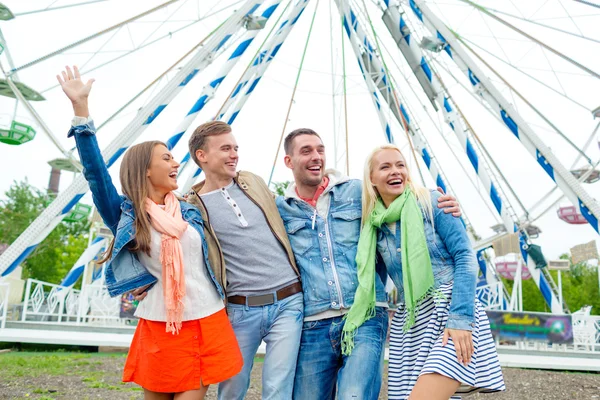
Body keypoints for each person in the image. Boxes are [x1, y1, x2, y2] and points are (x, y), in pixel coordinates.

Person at [57, 66, 242, 400]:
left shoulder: (189, 208)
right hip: (160, 325)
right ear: (145, 169)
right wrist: (81, 114)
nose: (176, 164)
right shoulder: (127, 215)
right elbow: (96, 175)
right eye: (167, 158)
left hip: (205, 318)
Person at [275, 129, 462, 399]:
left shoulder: (357, 191)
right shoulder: (279, 209)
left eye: (320, 149)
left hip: (365, 314)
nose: (316, 156)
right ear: (289, 161)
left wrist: (436, 199)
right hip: (313, 323)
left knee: (354, 394)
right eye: (306, 151)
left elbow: (398, 191)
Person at [349, 144, 505, 400]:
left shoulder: (433, 203)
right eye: (385, 167)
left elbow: (466, 257)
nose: (395, 171)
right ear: (371, 179)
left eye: (400, 165)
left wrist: (460, 320)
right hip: (411, 322)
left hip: (452, 311)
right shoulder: (374, 227)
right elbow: (372, 281)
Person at [184, 121, 304, 400]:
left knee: (278, 388)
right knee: (232, 389)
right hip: (239, 311)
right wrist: (142, 279)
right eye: (225, 148)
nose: (234, 154)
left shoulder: (253, 182)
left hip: (288, 301)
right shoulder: (191, 206)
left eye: (235, 148)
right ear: (202, 156)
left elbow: (291, 211)